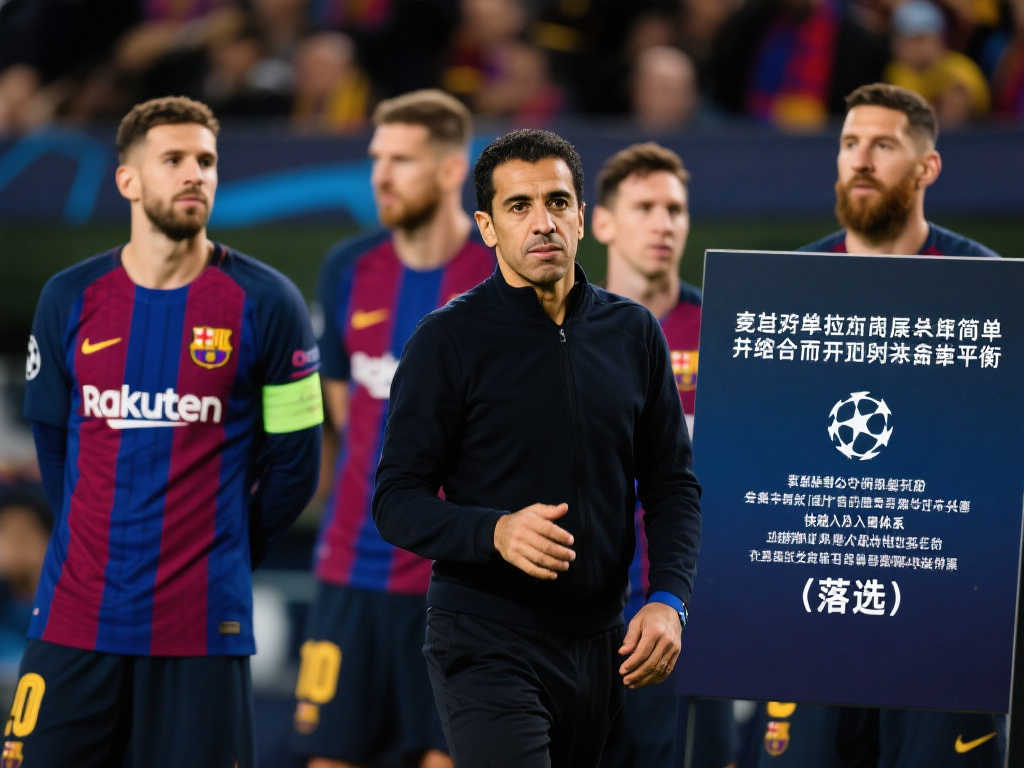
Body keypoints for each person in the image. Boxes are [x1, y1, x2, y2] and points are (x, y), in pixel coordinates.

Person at [6, 95, 323, 768]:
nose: (194, 174)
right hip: (75, 619)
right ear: (128, 180)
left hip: (201, 626)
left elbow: (296, 466)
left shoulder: (270, 303)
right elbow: (55, 451)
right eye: (173, 159)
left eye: (206, 161)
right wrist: (93, 544)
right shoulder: (69, 297)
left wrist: (224, 551)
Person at [371, 128, 702, 766]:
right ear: (487, 227)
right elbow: (396, 501)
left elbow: (673, 486)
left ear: (581, 216)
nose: (543, 222)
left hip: (602, 644)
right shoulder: (446, 341)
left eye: (557, 202)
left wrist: (669, 600)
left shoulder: (633, 333)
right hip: (484, 638)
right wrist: (495, 532)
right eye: (519, 206)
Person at [743, 82, 1003, 768]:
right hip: (809, 613)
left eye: (883, 145)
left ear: (927, 167)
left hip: (943, 622)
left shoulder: (986, 288)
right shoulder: (786, 289)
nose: (860, 160)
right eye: (850, 143)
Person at [290, 89, 494, 768]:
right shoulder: (348, 267)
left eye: (401, 160)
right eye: (377, 159)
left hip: (461, 585)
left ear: (450, 169)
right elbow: (345, 413)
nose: (380, 175)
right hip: (350, 571)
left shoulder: (500, 275)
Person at [592, 142, 735, 768]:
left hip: (685, 619)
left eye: (674, 209)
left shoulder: (728, 331)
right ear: (601, 223)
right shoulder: (561, 328)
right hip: (576, 621)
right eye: (644, 207)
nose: (663, 223)